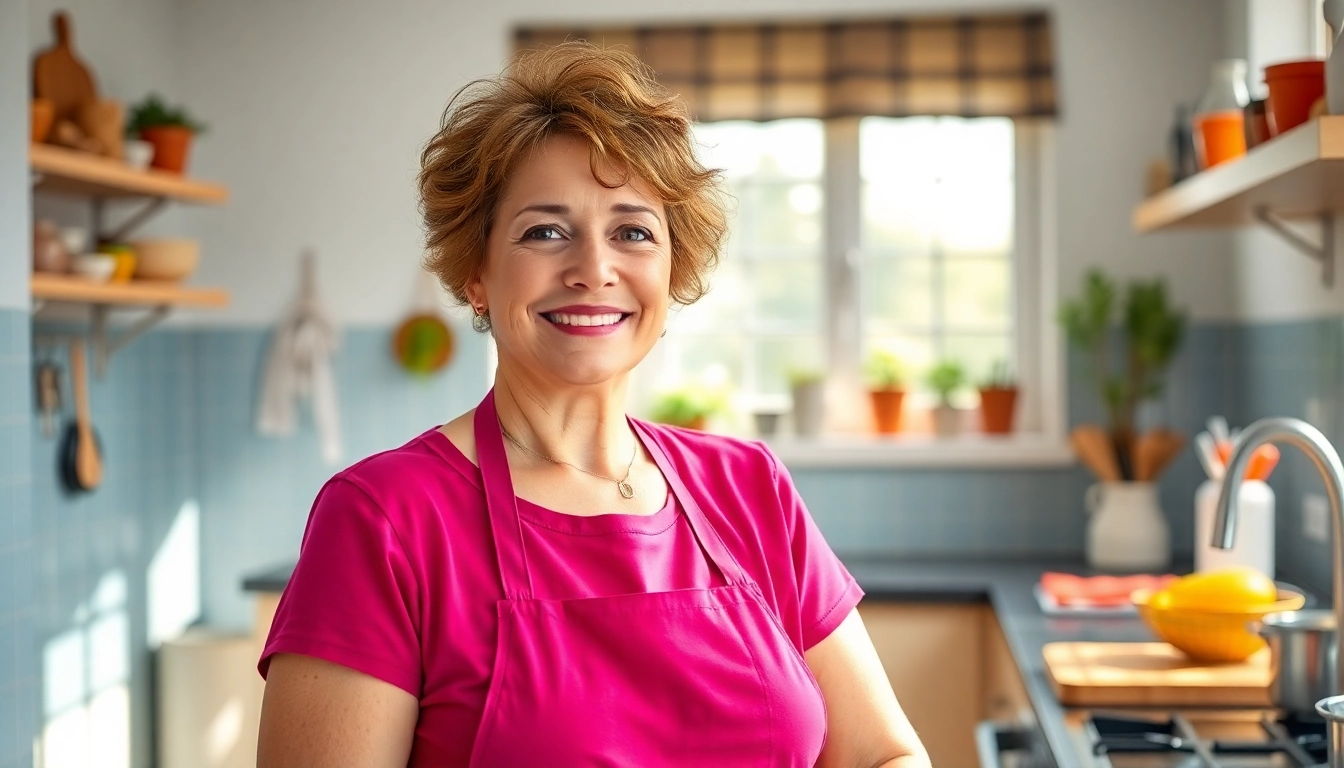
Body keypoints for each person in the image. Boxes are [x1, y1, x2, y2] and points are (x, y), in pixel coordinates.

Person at [256, 41, 930, 768]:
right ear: (477, 274)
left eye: (633, 232)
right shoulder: (385, 519)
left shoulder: (748, 487)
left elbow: (880, 755)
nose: (593, 269)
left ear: (673, 270)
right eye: (545, 232)